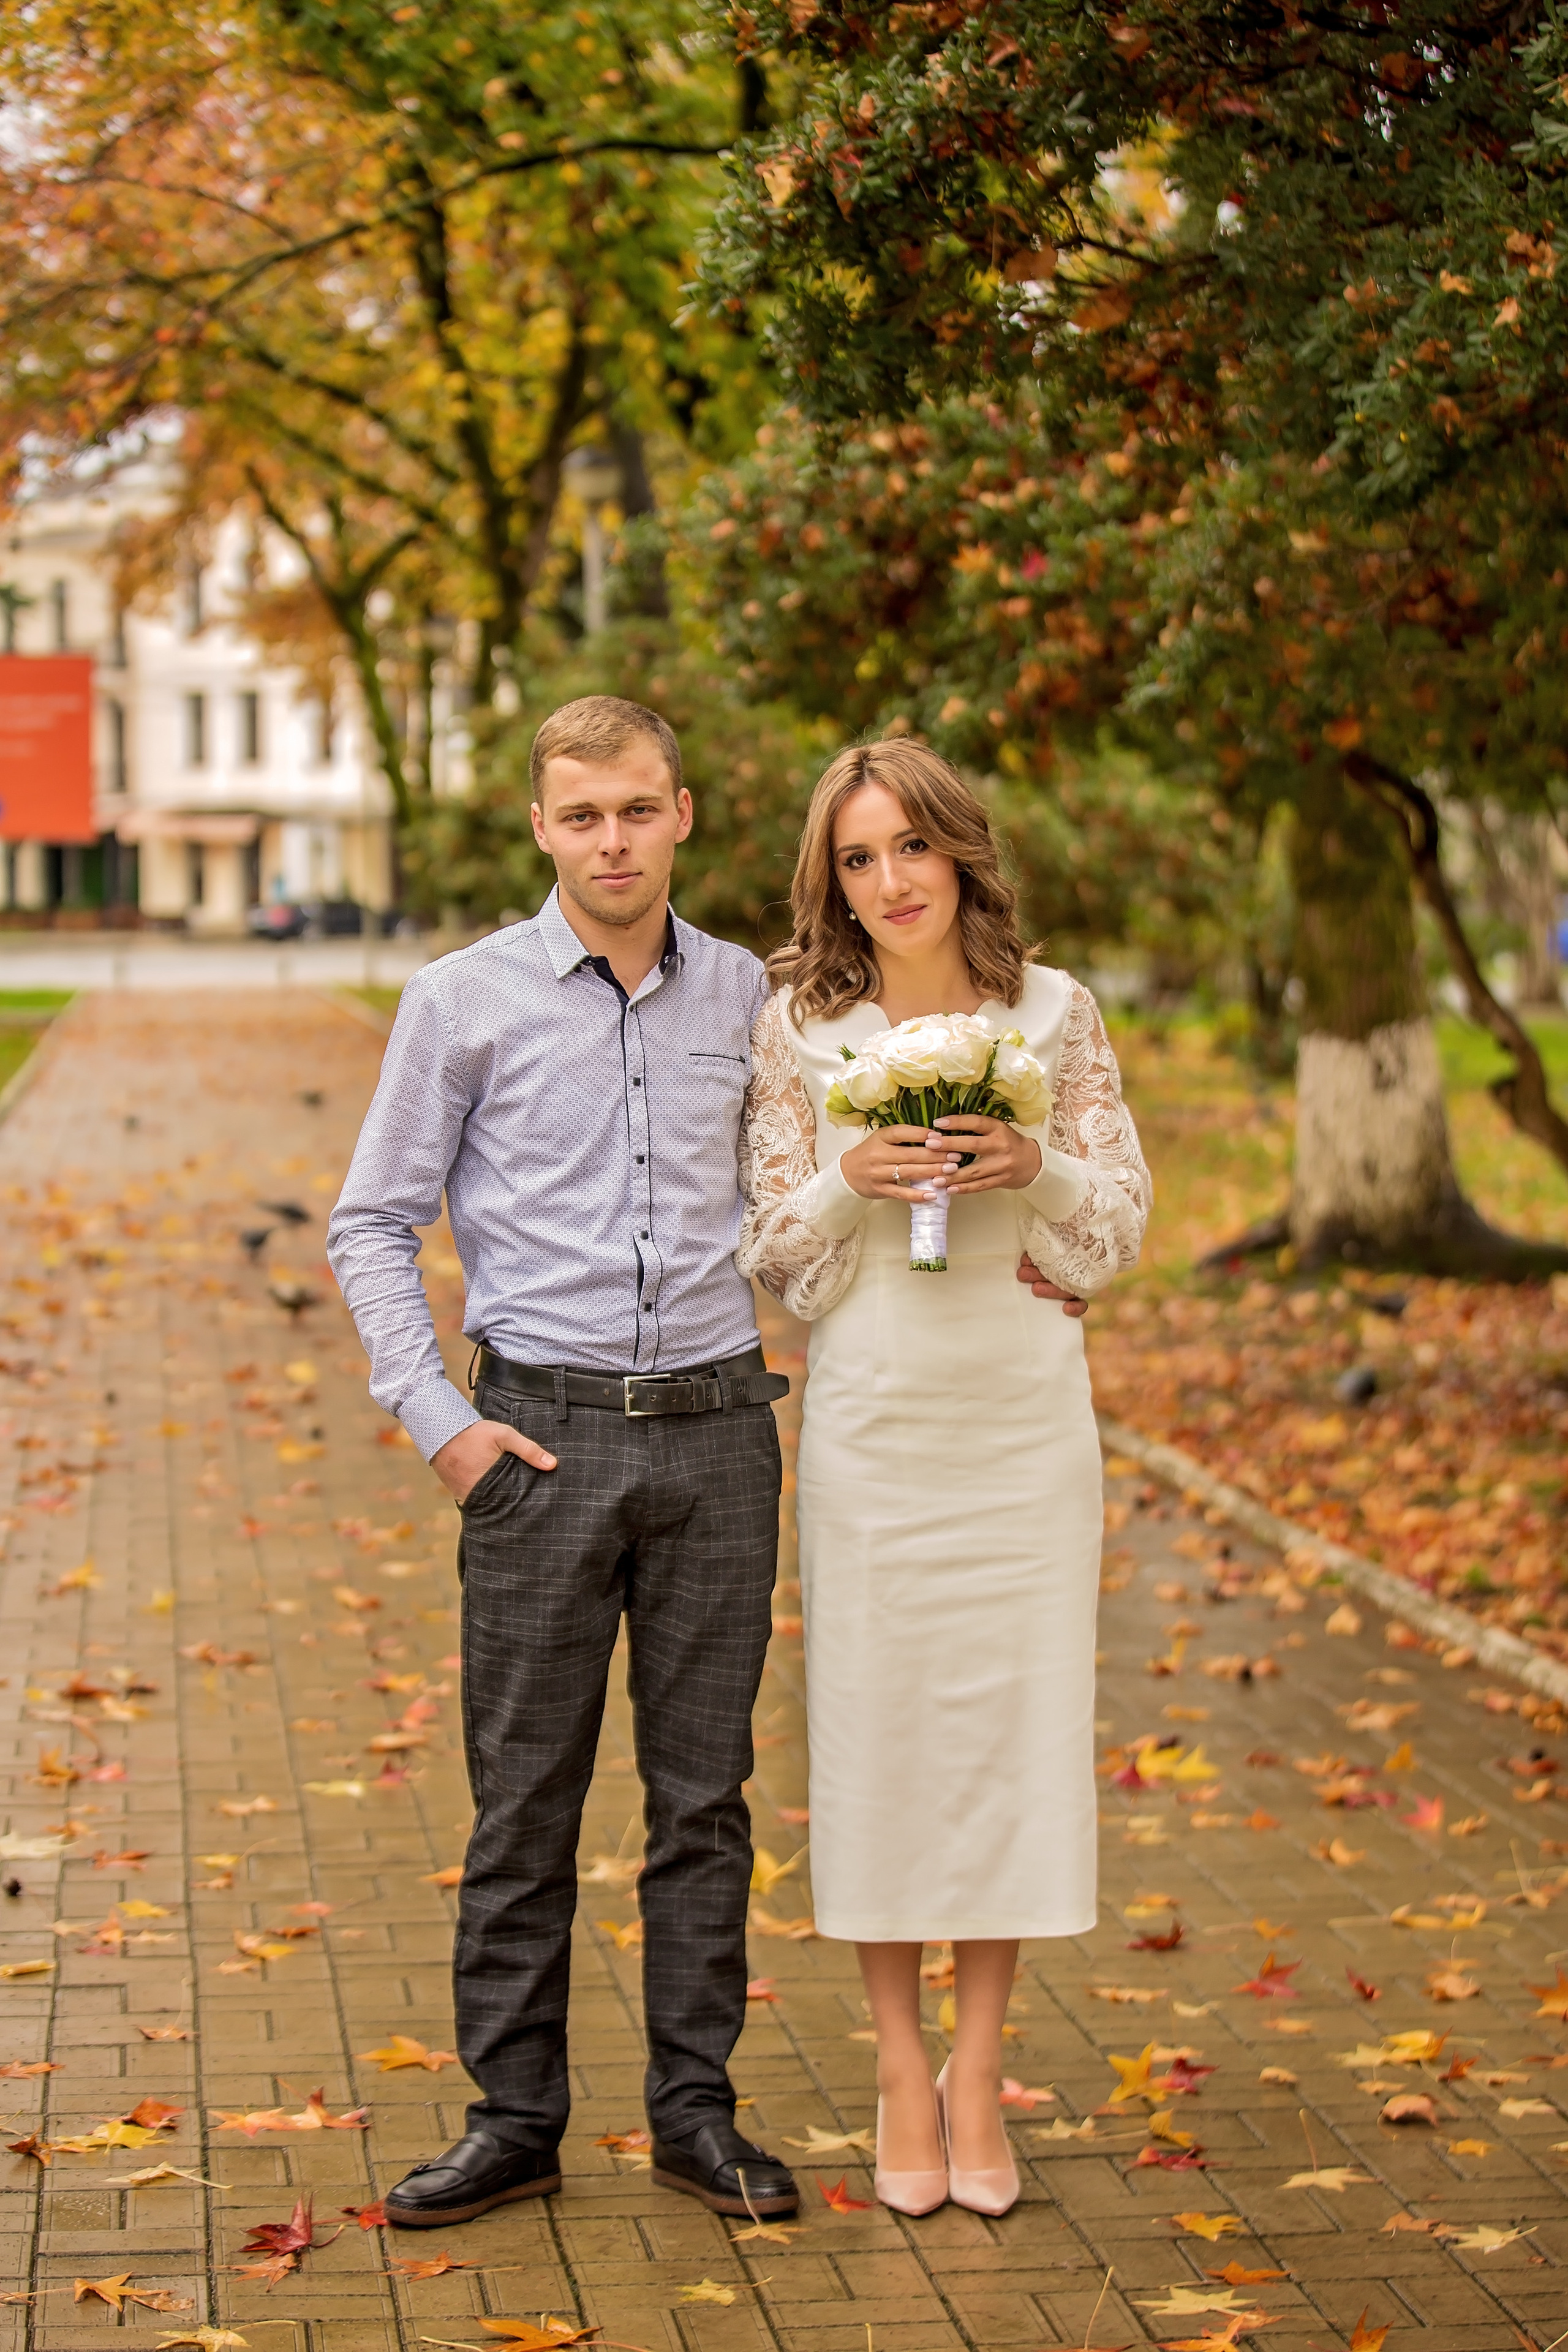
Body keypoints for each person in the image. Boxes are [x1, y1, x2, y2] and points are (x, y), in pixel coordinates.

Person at [326, 695, 803, 2228]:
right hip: (539, 1442)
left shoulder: (750, 996)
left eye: (637, 809)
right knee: (522, 1802)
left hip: (721, 1437)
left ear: (684, 815)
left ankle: (694, 2114)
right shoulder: (459, 1000)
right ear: (542, 827)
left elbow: (815, 1184)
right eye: (582, 814)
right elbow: (368, 1222)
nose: (612, 838)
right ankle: (514, 2116)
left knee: (703, 1801)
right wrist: (443, 1427)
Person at [738, 739, 1150, 2219]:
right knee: (880, 1744)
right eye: (857, 857)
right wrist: (845, 1179)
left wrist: (1025, 1166)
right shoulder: (800, 1024)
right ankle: (897, 2071)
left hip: (1023, 1428)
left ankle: (980, 2070)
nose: (889, 881)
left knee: (1005, 1745)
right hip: (875, 1426)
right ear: (829, 879)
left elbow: (1110, 1234)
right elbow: (774, 1262)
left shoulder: (1054, 1012)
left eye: (910, 846)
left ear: (958, 852)